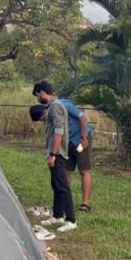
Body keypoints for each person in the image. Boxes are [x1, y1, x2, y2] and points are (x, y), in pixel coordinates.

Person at [28, 81, 76, 231]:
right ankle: (57, 215)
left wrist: (53, 153)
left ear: (42, 92)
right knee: (56, 185)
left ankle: (71, 220)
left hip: (58, 153)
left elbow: (59, 131)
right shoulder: (51, 107)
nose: (38, 99)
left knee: (63, 187)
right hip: (54, 152)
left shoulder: (55, 106)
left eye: (37, 95)